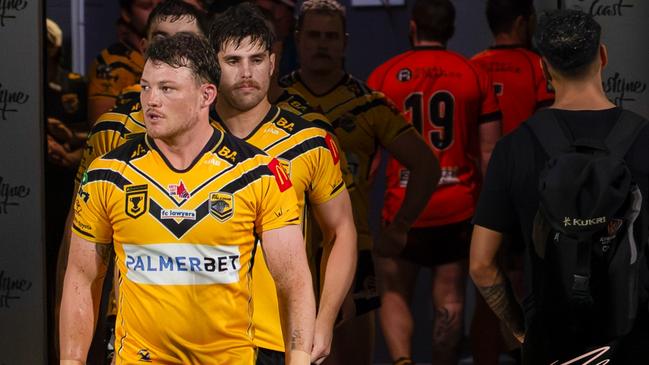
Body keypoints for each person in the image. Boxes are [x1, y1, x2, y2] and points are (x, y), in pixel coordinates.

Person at [60, 33, 315, 365]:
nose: (150, 100)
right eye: (146, 87)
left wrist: (298, 358)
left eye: (167, 89)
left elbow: (294, 280)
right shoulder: (108, 174)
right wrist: (71, 361)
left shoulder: (258, 174)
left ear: (206, 95)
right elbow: (82, 276)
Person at [470, 10, 649, 364]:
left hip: (550, 342)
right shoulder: (644, 139)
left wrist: (523, 328)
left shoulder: (514, 147)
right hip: (636, 340)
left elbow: (481, 264)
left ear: (542, 67)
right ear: (603, 56)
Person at [283, 0, 440, 363]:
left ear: (345, 43)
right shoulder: (275, 102)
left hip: (351, 249)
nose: (322, 44)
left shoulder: (369, 105)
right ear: (298, 39)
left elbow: (425, 165)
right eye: (314, 36)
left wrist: (400, 226)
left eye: (331, 37)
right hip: (288, 247)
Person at [55, 2, 212, 362]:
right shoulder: (112, 133)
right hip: (130, 329)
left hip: (221, 336)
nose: (172, 53)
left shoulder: (236, 143)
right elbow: (77, 252)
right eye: (161, 41)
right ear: (143, 48)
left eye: (186, 42)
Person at [207, 5, 356, 364]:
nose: (246, 73)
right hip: (203, 340)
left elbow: (341, 231)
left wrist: (324, 320)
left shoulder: (309, 140)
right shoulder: (188, 141)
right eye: (233, 60)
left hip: (284, 337)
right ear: (211, 65)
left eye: (257, 59)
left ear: (273, 62)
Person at [367, 0, 501, 363]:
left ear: (413, 27)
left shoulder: (383, 76)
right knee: (451, 296)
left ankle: (402, 362)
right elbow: (490, 152)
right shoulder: (473, 74)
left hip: (402, 205)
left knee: (393, 290)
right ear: (450, 29)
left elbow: (370, 155)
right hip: (457, 205)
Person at [469, 1, 554, 363]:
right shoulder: (538, 66)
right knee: (535, 284)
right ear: (524, 21)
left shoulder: (472, 67)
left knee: (488, 289)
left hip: (483, 193)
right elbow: (550, 129)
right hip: (530, 193)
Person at [471, 0, 553, 136]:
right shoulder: (538, 65)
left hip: (484, 155)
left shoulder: (472, 65)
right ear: (520, 23)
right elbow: (548, 123)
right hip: (524, 154)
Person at [87, 0, 162, 124]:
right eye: (146, 6)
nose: (156, 12)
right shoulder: (112, 62)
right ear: (127, 14)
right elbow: (101, 126)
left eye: (160, 5)